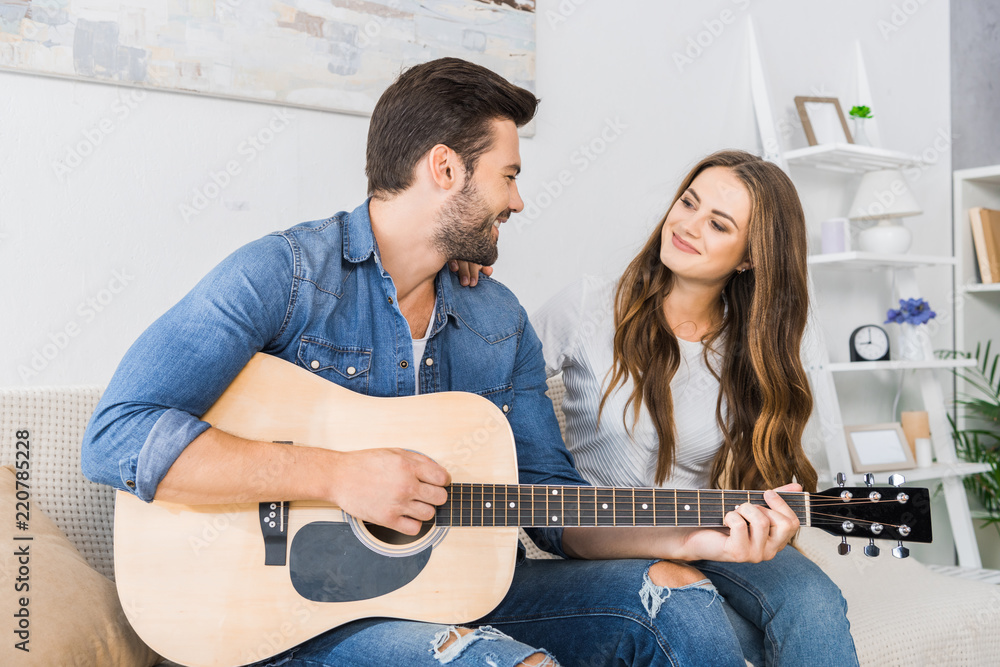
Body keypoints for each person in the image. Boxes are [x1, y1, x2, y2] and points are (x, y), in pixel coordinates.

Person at [83, 59, 803, 667]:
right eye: (508, 175)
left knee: (678, 597)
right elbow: (116, 434)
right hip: (296, 613)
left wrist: (686, 533)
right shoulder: (284, 274)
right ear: (446, 168)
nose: (518, 201)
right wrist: (336, 475)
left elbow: (554, 512)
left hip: (470, 587)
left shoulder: (497, 318)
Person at [530, 149, 859, 666]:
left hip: (704, 529)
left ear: (750, 257)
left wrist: (776, 520)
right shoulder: (586, 307)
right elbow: (495, 385)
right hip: (604, 537)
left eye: (718, 224)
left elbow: (760, 471)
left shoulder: (753, 346)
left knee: (815, 606)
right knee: (723, 630)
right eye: (688, 202)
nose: (687, 225)